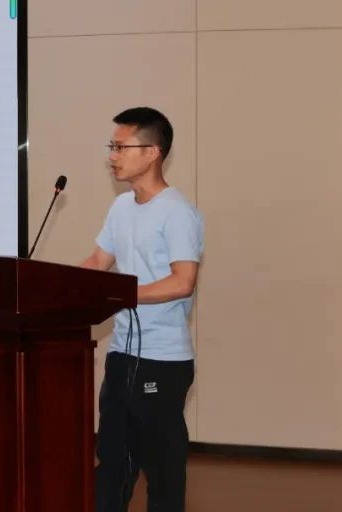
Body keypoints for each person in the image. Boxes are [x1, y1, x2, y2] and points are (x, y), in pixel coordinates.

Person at [80, 107, 204, 512]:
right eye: (111, 147)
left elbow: (183, 281)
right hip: (122, 354)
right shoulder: (121, 207)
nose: (112, 156)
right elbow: (98, 262)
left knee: (161, 468)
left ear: (152, 152)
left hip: (162, 361)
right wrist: (53, 286)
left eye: (121, 147)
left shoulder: (177, 212)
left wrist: (121, 295)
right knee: (112, 461)